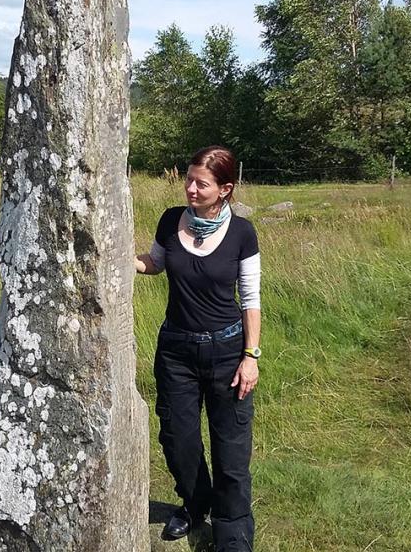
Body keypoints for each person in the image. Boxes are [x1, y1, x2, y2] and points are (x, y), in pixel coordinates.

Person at [135, 146, 261, 552]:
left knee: (231, 448)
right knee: (178, 438)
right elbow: (154, 263)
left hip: (227, 352)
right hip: (176, 352)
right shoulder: (171, 221)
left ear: (225, 189)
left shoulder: (242, 232)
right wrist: (111, 256)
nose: (190, 188)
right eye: (188, 179)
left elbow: (251, 298)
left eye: (200, 183)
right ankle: (195, 504)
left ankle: (232, 530)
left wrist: (250, 357)